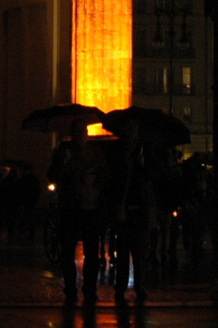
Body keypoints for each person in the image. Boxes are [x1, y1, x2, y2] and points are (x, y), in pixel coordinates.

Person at [48, 117, 108, 305]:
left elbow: (105, 175)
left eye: (84, 132)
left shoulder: (95, 153)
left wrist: (96, 181)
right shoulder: (64, 152)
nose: (81, 135)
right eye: (78, 132)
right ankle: (71, 288)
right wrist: (63, 164)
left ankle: (89, 288)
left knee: (91, 252)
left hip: (89, 206)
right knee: (67, 251)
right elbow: (52, 175)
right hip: (71, 206)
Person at [108, 118, 157, 304]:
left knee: (139, 254)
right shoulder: (118, 150)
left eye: (133, 128)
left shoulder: (144, 149)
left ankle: (139, 287)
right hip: (124, 208)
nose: (131, 132)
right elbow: (114, 178)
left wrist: (143, 165)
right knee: (123, 253)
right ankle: (121, 288)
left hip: (139, 209)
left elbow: (152, 176)